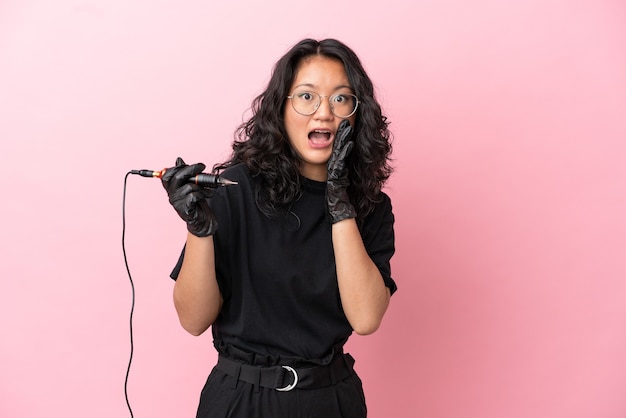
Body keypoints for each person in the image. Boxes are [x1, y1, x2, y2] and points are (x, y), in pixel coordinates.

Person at [160, 38, 397, 418]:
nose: (324, 113)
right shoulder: (236, 190)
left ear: (356, 113)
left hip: (329, 399)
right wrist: (198, 229)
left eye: (340, 99)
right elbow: (193, 320)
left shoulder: (371, 206)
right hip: (240, 398)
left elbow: (366, 318)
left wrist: (339, 203)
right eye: (306, 97)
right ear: (281, 109)